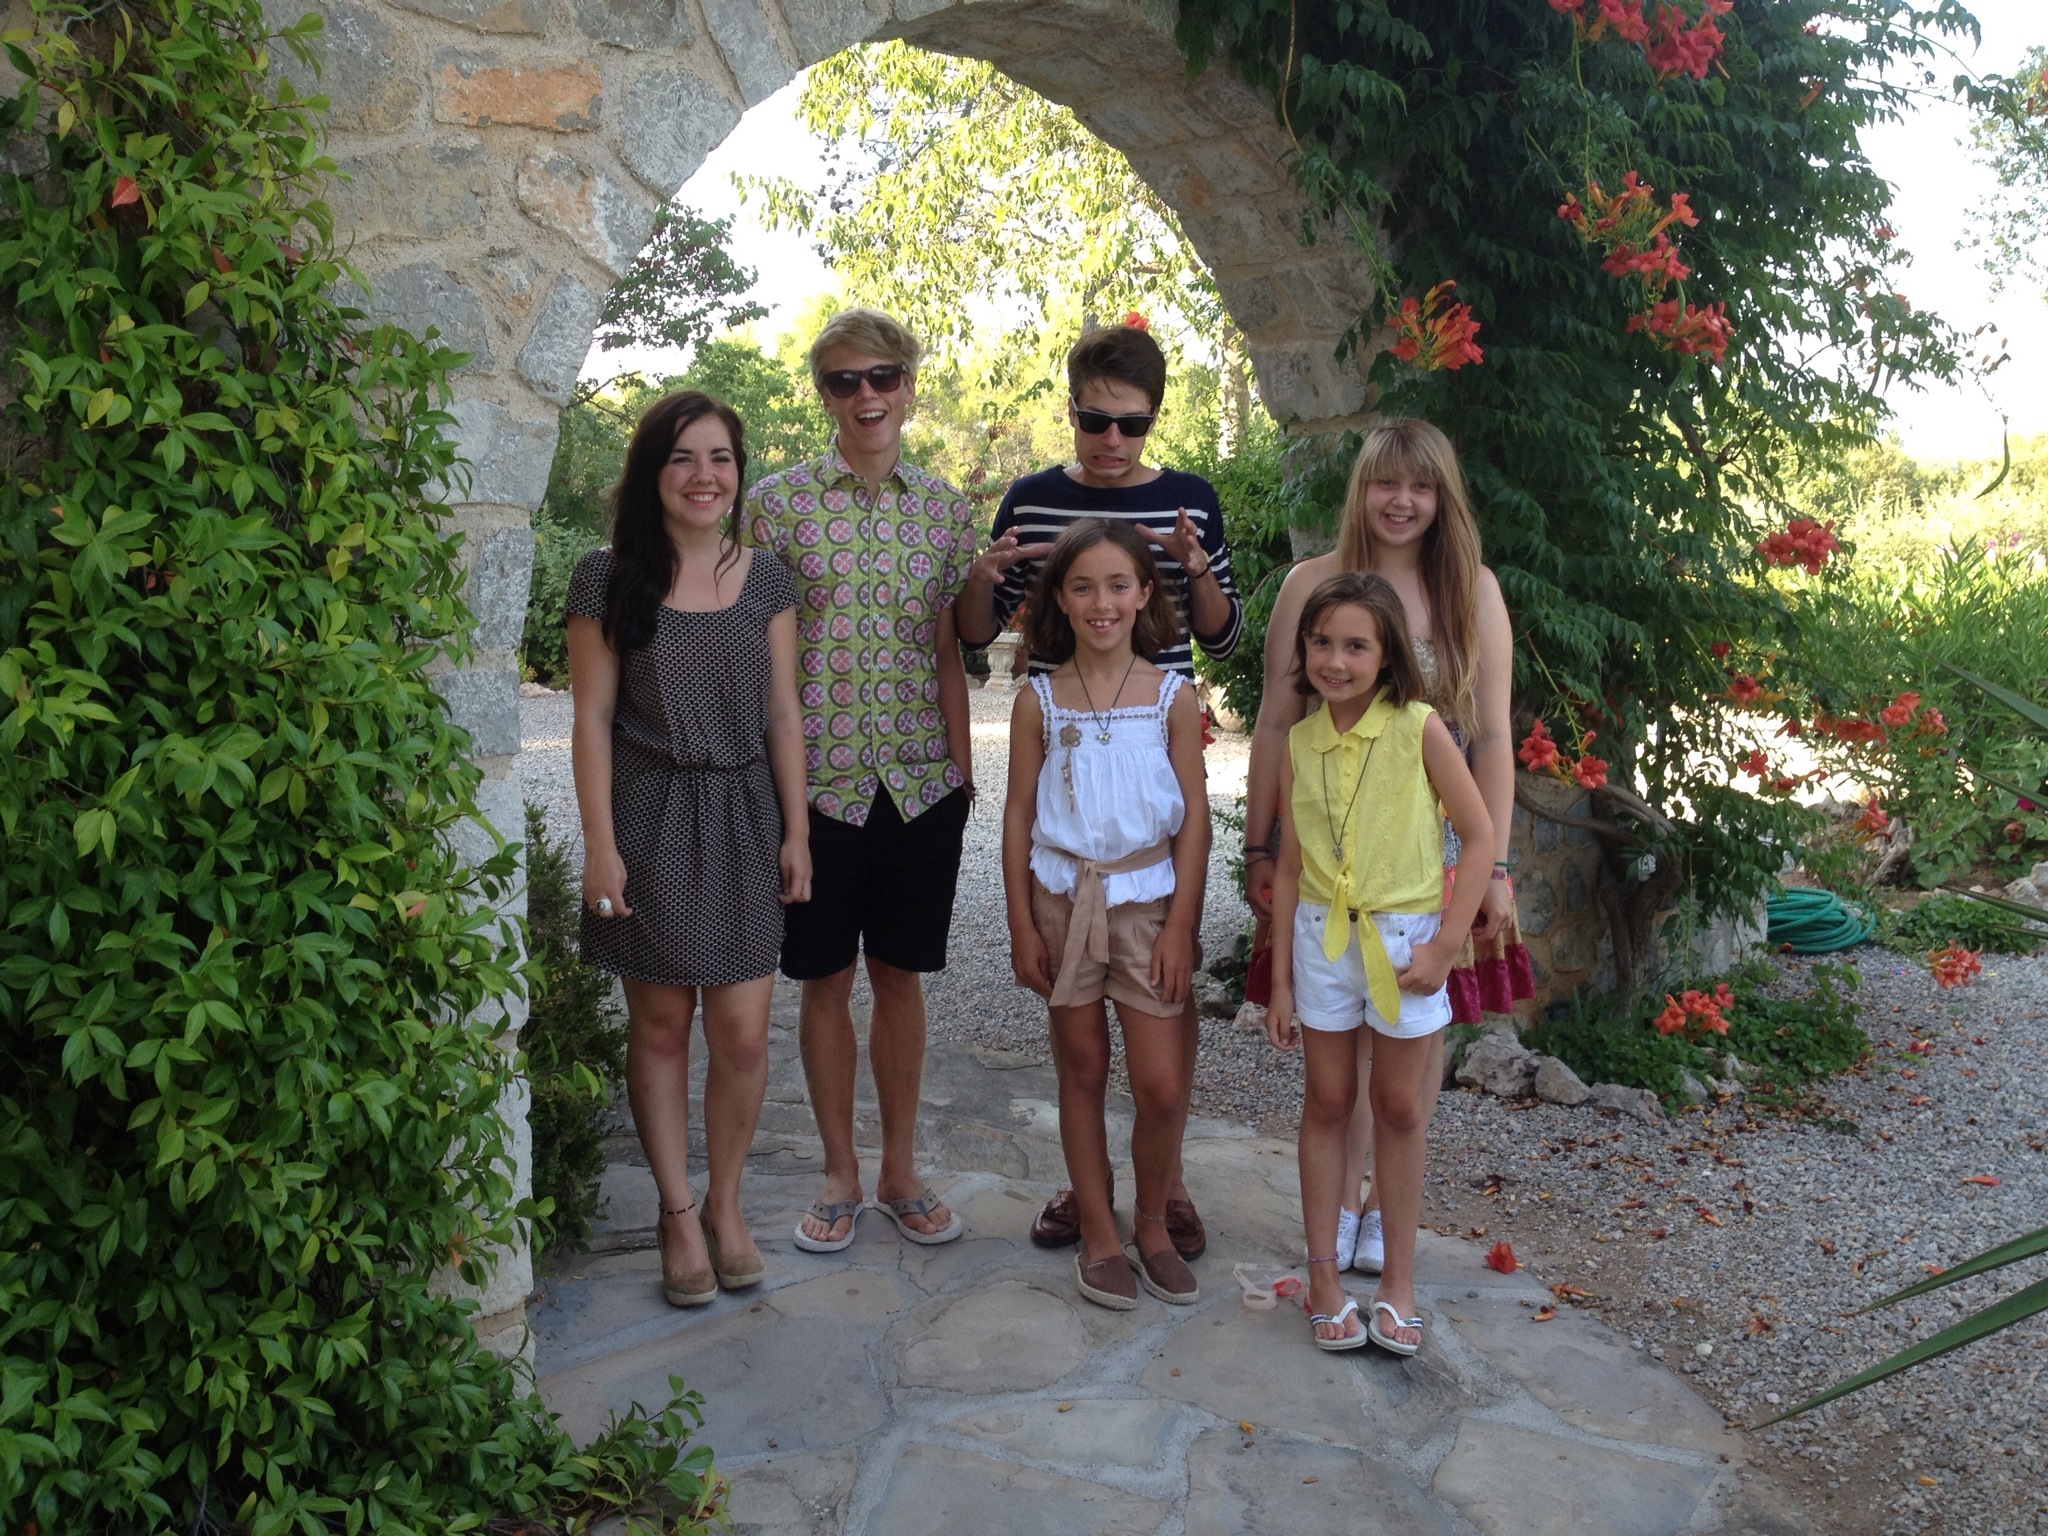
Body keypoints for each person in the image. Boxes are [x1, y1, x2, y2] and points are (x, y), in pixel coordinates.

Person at [957, 322, 1242, 1260]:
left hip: (1155, 723)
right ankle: (1090, 1191)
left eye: (1133, 425)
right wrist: (980, 578)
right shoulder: (1032, 501)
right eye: (1094, 420)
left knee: (1165, 1010)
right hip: (1064, 727)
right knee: (1079, 1046)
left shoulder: (1189, 501)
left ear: (1154, 420)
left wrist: (1192, 565)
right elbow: (977, 628)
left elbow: (1225, 634)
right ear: (1072, 405)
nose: (1112, 442)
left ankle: (1170, 1181)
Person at [1242, 418, 1529, 1277]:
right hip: (1326, 857)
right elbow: (1274, 722)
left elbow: (1492, 737)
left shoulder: (1468, 590)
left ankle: (1377, 1211)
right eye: (1385, 483)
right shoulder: (1312, 585)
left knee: (1404, 1052)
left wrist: (1496, 866)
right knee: (1334, 1049)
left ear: (1443, 499)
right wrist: (1262, 848)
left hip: (1428, 854)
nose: (1401, 502)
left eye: (1422, 486)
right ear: (1361, 489)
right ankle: (1338, 1201)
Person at [568, 390, 809, 1307]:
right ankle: (677, 1213)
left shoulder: (770, 579)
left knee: (744, 1034)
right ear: (651, 474)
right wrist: (600, 846)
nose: (704, 476)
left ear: (738, 473)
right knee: (664, 1026)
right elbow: (590, 719)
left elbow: (785, 712)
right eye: (682, 458)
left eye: (719, 458)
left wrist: (797, 831)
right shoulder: (606, 578)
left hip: (746, 814)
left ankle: (727, 1203)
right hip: (651, 814)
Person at [745, 308, 976, 1254]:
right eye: (845, 380)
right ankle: (839, 1172)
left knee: (902, 977)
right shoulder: (776, 506)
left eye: (883, 376)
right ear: (823, 393)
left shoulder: (947, 509)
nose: (866, 394)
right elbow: (758, 656)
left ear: (910, 385)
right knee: (824, 979)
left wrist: (962, 773)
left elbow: (954, 644)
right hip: (820, 788)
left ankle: (900, 1169)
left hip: (920, 782)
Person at [1264, 573, 1493, 1353]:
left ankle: (1398, 1281)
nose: (1335, 659)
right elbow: (1292, 867)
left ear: (1387, 653)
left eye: (1356, 645)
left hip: (1405, 944)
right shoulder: (1301, 741)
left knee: (1399, 1107)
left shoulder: (1421, 727)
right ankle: (1324, 1278)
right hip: (1325, 942)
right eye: (1321, 642)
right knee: (1328, 1102)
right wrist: (1281, 984)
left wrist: (1443, 943)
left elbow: (1482, 834)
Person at [1002, 521, 1211, 1310]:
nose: (1102, 602)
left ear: (1144, 594)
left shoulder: (1171, 696)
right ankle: (1098, 1230)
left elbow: (1193, 818)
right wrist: (1023, 924)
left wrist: (1182, 925)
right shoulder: (1040, 702)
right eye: (1083, 586)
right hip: (1063, 903)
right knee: (1082, 1069)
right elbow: (1019, 815)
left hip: (1147, 904)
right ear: (1059, 597)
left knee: (1159, 1084)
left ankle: (1152, 1224)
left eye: (1118, 585)